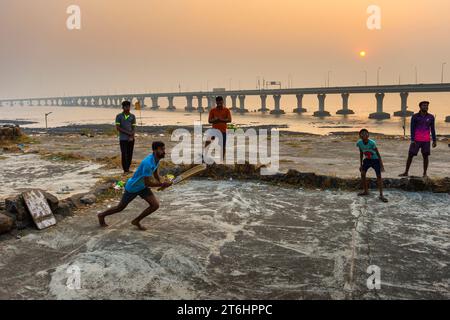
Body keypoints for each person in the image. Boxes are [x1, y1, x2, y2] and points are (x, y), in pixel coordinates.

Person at [97, 141, 172, 231]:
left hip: (142, 187)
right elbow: (147, 183)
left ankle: (136, 221)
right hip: (133, 187)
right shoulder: (147, 163)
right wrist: (162, 184)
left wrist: (161, 182)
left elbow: (155, 173)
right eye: (161, 149)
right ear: (155, 150)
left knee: (155, 205)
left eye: (164, 149)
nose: (164, 151)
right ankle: (101, 215)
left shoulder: (156, 159)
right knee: (120, 208)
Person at [399, 101, 437, 178]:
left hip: (426, 140)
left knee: (425, 156)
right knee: (410, 155)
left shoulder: (431, 117)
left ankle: (424, 173)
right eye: (424, 105)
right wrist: (412, 139)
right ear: (420, 106)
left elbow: (432, 129)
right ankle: (406, 172)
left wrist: (434, 140)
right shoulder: (415, 116)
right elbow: (412, 128)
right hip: (416, 140)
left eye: (427, 105)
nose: (426, 107)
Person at [356, 129, 388, 203]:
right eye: (362, 134)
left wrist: (381, 165)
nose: (364, 135)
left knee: (379, 176)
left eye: (365, 133)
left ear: (368, 135)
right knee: (362, 173)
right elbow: (361, 153)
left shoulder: (372, 143)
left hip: (375, 160)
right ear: (360, 136)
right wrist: (360, 165)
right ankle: (365, 191)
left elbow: (378, 154)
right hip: (367, 160)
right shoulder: (359, 143)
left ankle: (381, 195)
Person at [116, 101, 137, 173]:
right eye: (126, 107)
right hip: (123, 139)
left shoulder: (132, 116)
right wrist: (128, 133)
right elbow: (118, 128)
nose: (127, 108)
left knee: (130, 154)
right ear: (123, 107)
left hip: (131, 138)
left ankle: (128, 168)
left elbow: (133, 127)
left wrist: (132, 136)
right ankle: (125, 169)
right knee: (124, 154)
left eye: (128, 106)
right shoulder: (119, 116)